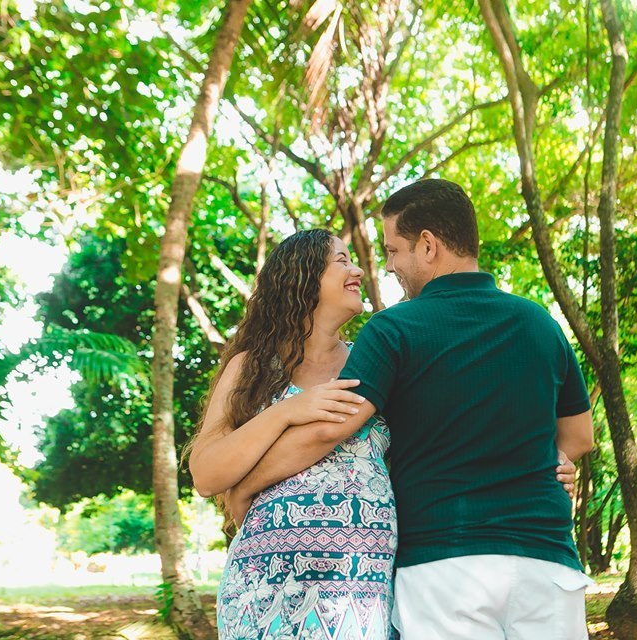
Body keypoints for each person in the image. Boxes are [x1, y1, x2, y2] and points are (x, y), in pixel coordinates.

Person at [229, 179, 595, 640]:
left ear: (427, 245)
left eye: (393, 251)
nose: (388, 266)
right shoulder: (540, 323)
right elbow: (580, 437)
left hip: (445, 568)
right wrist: (556, 463)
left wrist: (248, 485)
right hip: (547, 561)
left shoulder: (394, 328)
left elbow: (330, 429)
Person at [188, 230, 399, 639]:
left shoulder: (374, 362)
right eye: (341, 260)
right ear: (303, 276)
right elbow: (206, 475)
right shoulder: (250, 368)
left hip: (359, 588)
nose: (357, 270)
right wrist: (286, 411)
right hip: (262, 588)